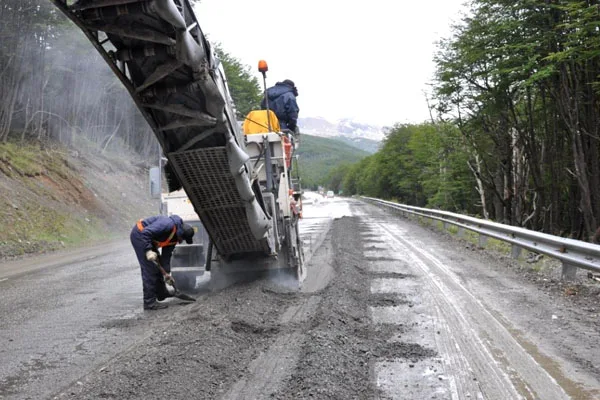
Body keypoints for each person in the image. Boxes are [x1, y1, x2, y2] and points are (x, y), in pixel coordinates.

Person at [130, 215, 195, 310]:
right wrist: (148, 250)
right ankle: (149, 303)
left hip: (148, 239)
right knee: (150, 269)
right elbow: (146, 233)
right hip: (140, 235)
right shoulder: (167, 224)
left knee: (158, 265)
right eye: (183, 239)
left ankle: (161, 293)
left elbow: (166, 256)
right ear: (181, 234)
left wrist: (167, 274)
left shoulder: (174, 238)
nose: (182, 241)